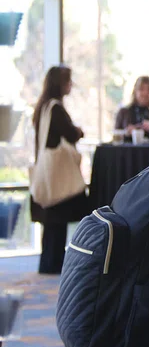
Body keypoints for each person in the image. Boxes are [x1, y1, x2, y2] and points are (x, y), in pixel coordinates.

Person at [30, 66, 92, 274]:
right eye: (68, 81)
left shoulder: (43, 107)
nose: (70, 85)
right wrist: (79, 131)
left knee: (51, 225)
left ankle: (50, 264)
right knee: (57, 223)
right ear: (60, 83)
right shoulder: (55, 108)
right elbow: (70, 134)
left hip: (47, 171)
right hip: (57, 173)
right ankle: (53, 265)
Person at [114, 76, 149, 141]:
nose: (145, 93)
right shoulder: (123, 112)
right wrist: (126, 132)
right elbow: (116, 135)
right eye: (141, 89)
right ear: (135, 91)